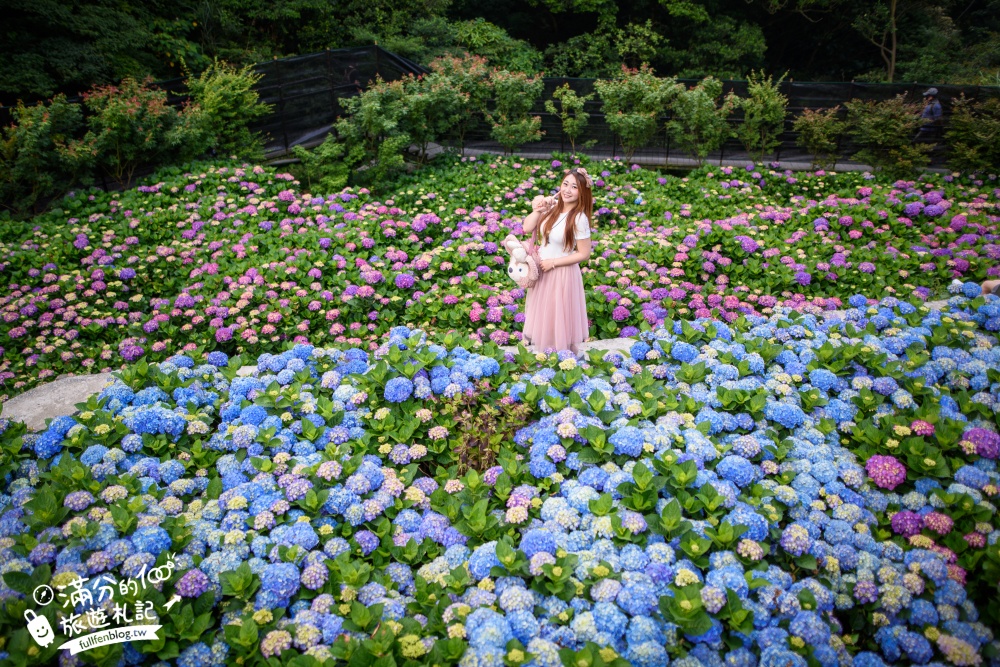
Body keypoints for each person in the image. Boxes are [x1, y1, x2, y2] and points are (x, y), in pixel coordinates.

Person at [521, 168, 594, 355]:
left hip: (561, 273)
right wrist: (539, 209)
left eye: (574, 187)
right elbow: (527, 228)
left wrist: (554, 262)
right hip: (542, 270)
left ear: (582, 192)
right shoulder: (552, 208)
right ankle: (547, 356)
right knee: (545, 317)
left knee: (559, 318)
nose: (567, 190)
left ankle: (563, 357)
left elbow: (584, 253)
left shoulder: (579, 218)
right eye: (565, 184)